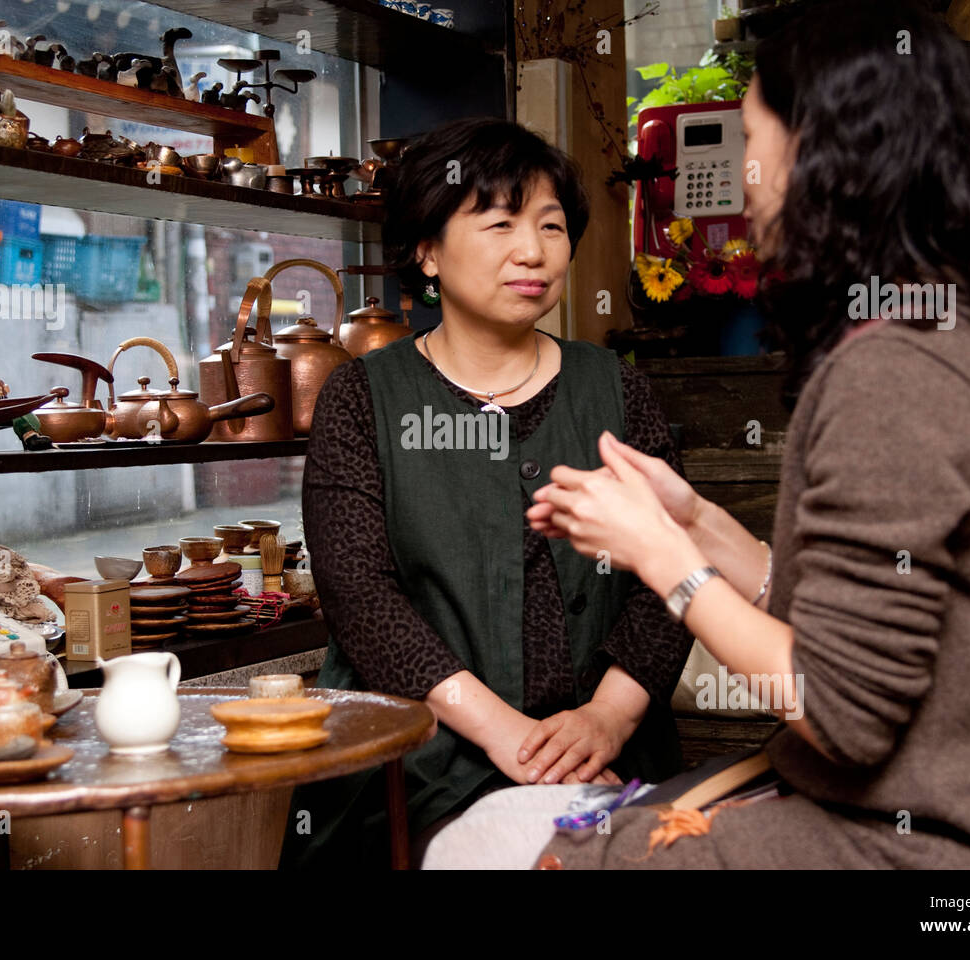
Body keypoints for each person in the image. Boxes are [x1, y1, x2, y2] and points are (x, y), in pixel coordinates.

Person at [421, 0, 970, 869]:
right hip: (927, 805)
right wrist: (697, 522)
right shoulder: (928, 331)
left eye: (753, 140)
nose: (744, 175)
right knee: (504, 831)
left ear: (825, 157)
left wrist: (662, 556)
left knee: (543, 851)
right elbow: (859, 622)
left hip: (937, 841)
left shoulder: (893, 374)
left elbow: (840, 709)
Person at [280, 117, 695, 869]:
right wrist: (514, 741)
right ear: (427, 250)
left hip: (612, 757)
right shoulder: (362, 399)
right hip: (424, 764)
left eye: (550, 226)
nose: (533, 251)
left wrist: (607, 716)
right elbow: (362, 600)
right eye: (500, 223)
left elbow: (673, 575)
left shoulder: (616, 391)